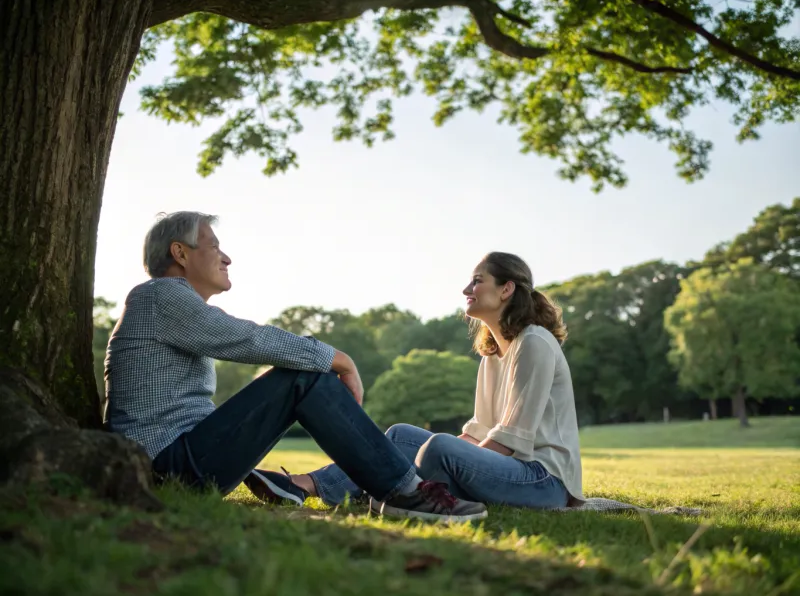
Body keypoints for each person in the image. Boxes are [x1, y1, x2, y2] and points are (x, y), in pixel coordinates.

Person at [103, 211, 487, 522]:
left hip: (181, 459)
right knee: (302, 376)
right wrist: (340, 360)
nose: (226, 257)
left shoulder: (169, 305)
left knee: (301, 375)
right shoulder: (159, 296)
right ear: (180, 253)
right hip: (165, 465)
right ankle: (405, 493)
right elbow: (248, 338)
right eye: (215, 246)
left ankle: (395, 489)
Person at [265, 252, 584, 512]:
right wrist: (424, 456)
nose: (466, 290)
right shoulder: (492, 354)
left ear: (506, 289)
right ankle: (307, 484)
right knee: (402, 436)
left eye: (477, 281)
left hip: (544, 481)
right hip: (507, 470)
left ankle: (392, 491)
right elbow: (477, 433)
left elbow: (509, 441)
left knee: (440, 447)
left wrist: (444, 458)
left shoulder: (535, 342)